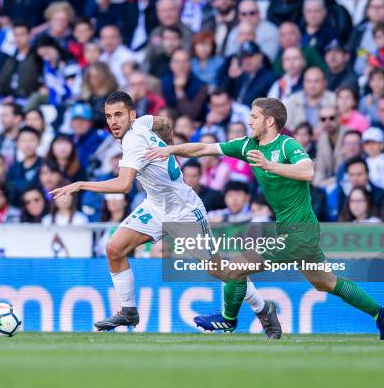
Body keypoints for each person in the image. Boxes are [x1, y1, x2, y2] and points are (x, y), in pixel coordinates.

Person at [148, 97, 384, 340]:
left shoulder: (287, 145)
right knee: (325, 282)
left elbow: (308, 170)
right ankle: (380, 313)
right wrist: (171, 149)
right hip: (294, 231)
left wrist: (270, 166)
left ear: (269, 121)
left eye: (254, 116)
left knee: (235, 268)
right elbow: (204, 148)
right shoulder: (248, 146)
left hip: (299, 233)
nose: (249, 121)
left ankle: (228, 319)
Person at [50, 91, 279, 337]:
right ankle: (128, 311)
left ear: (131, 114)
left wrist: (82, 184)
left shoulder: (133, 140)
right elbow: (165, 123)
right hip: (156, 206)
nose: (113, 121)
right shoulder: (142, 122)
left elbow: (124, 185)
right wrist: (169, 149)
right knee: (114, 248)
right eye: (108, 116)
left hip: (184, 211)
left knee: (219, 270)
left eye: (118, 115)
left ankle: (264, 309)